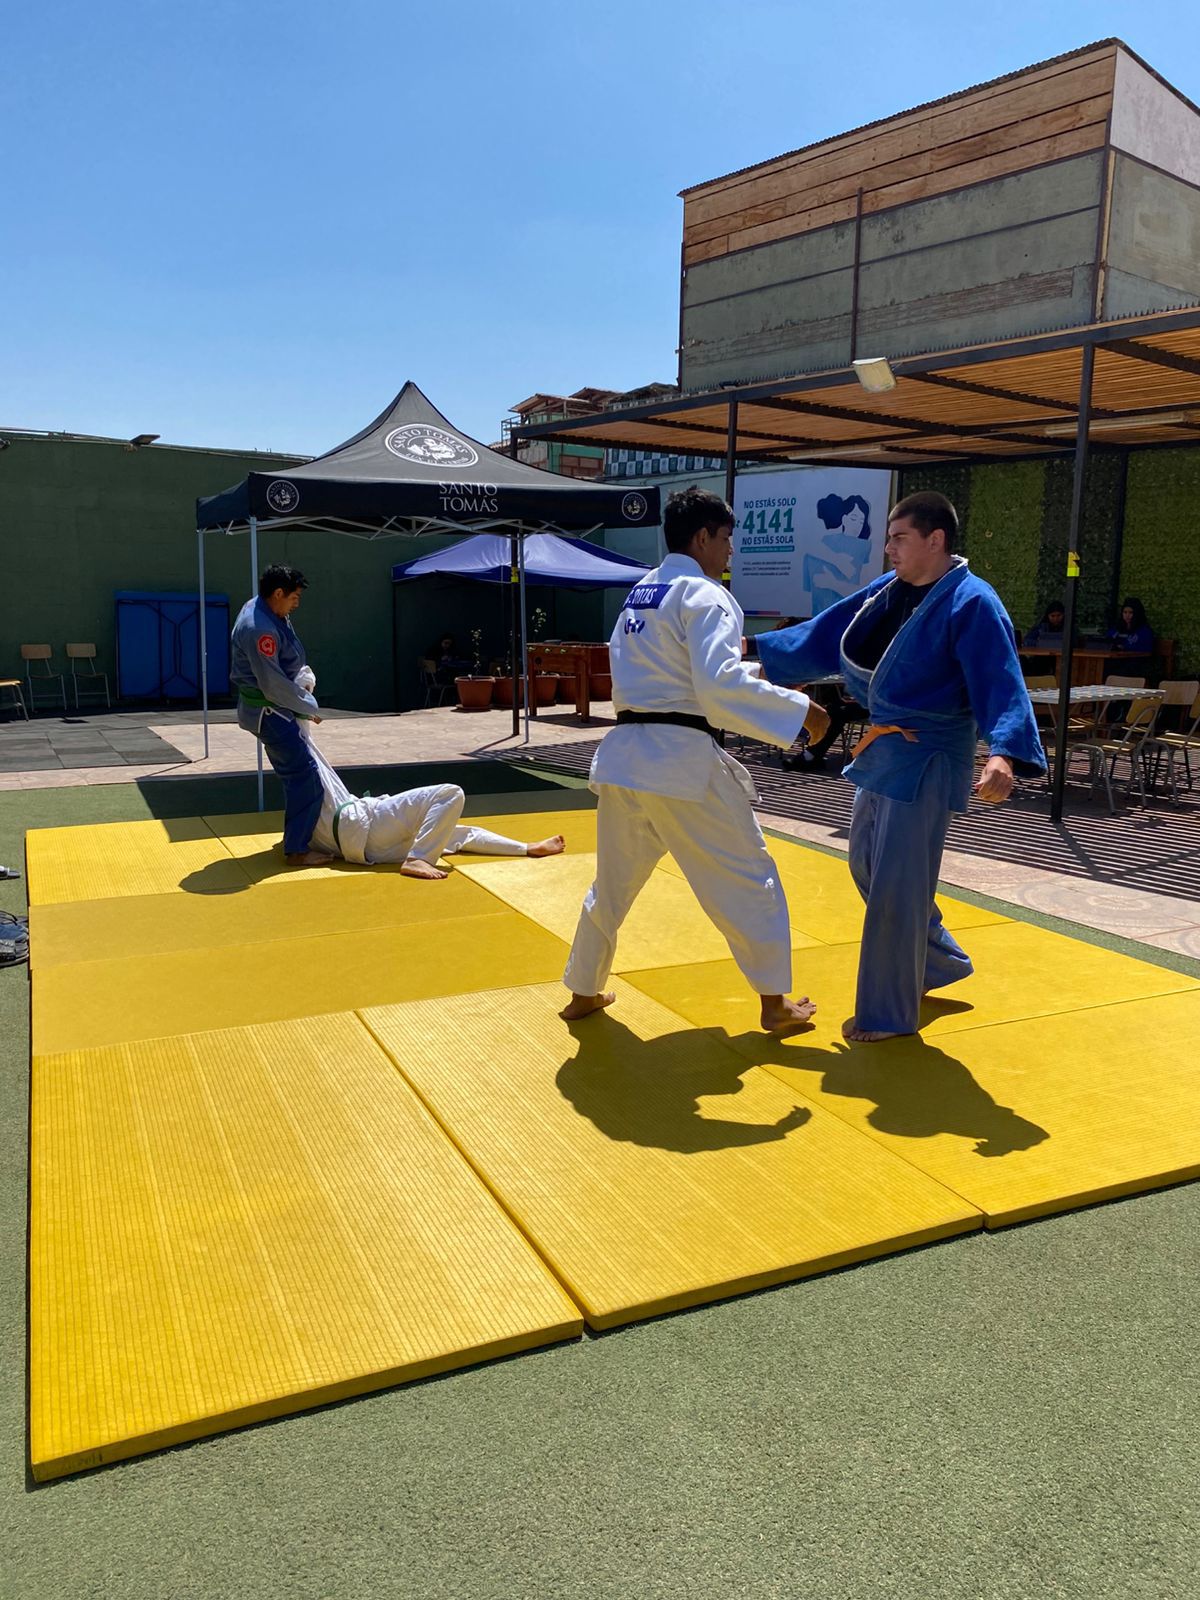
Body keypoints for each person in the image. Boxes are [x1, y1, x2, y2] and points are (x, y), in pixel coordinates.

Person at [757, 491, 1046, 1043]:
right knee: (866, 865)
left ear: (935, 540)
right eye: (888, 538)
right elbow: (827, 631)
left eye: (898, 538)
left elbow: (1001, 681)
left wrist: (1003, 752)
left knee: (897, 885)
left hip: (932, 752)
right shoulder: (889, 593)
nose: (887, 548)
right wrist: (756, 649)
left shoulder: (972, 601)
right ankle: (936, 963)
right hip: (885, 749)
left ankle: (888, 1014)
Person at [560, 486, 831, 1034]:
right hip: (682, 765)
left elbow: (676, 680)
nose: (731, 551)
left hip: (626, 762)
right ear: (703, 537)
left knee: (611, 885)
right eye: (727, 539)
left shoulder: (641, 595)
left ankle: (583, 990)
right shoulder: (705, 595)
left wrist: (766, 684)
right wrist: (803, 711)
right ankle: (775, 1004)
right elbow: (717, 687)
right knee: (749, 876)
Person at [293, 667, 565, 875]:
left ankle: (526, 848)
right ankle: (418, 860)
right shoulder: (316, 786)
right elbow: (302, 730)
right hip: (368, 829)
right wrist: (299, 697)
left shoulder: (308, 823)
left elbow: (301, 734)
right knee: (450, 794)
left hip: (366, 849)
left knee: (454, 833)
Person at [230, 565, 330, 867]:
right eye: (294, 597)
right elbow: (272, 684)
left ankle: (296, 837)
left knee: (293, 773)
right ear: (277, 593)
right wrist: (308, 705)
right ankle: (297, 849)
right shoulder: (259, 627)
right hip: (270, 711)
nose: (296, 604)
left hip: (273, 707)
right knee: (306, 776)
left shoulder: (264, 608)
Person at [804, 492, 874, 613]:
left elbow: (864, 593)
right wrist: (837, 560)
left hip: (847, 615)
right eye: (853, 518)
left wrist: (832, 583)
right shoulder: (823, 543)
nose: (857, 525)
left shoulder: (864, 546)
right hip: (820, 615)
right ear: (844, 518)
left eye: (861, 521)